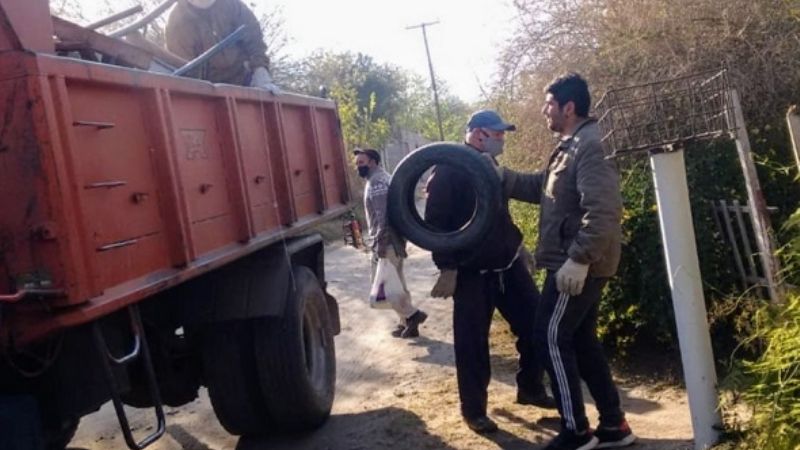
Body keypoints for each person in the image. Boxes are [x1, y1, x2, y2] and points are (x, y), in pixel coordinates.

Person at [500, 73, 636, 450]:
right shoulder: (570, 146)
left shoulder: (591, 146)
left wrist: (579, 259)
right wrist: (502, 178)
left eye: (548, 104)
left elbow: (604, 211)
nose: (544, 110)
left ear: (568, 107)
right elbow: (543, 192)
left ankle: (576, 432)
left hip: (576, 267)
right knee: (581, 340)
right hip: (572, 263)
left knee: (548, 336)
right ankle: (614, 426)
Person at [424, 110, 555, 434]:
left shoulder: (491, 167)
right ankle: (474, 411)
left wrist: (517, 246)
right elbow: (434, 225)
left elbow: (498, 214)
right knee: (472, 345)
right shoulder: (449, 169)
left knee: (538, 325)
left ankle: (530, 388)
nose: (503, 139)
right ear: (480, 134)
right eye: (499, 134)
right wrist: (448, 267)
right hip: (471, 273)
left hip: (507, 265)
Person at [354, 148, 428, 338]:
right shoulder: (382, 178)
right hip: (394, 240)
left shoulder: (377, 183)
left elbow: (382, 217)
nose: (358, 167)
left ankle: (412, 315)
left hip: (387, 242)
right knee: (398, 284)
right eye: (357, 163)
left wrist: (379, 243)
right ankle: (406, 324)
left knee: (384, 287)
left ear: (373, 162)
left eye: (361, 163)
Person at [166, 0, 281, 93]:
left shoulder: (233, 6)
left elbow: (255, 41)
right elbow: (182, 67)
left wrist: (260, 72)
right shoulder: (177, 22)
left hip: (246, 83)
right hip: (209, 91)